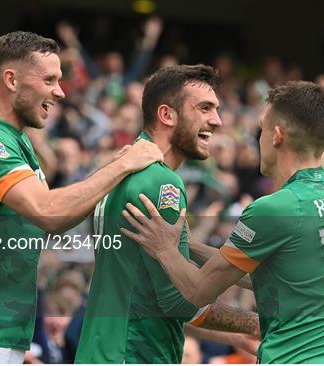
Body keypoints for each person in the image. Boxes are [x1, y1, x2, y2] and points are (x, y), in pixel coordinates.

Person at [0, 31, 163, 364]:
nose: (60, 91)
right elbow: (48, 212)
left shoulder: (15, 140)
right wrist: (122, 164)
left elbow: (54, 219)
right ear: (11, 79)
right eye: (49, 79)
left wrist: (114, 172)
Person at [121, 81, 324, 363]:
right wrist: (189, 245)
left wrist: (164, 249)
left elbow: (197, 290)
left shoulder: (276, 209)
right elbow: (284, 278)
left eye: (261, 128)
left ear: (276, 136)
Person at [75, 65, 259, 364]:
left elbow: (147, 282)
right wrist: (256, 324)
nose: (217, 121)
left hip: (103, 350)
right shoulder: (162, 182)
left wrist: (237, 329)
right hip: (134, 355)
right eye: (204, 108)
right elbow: (179, 301)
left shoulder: (123, 168)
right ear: (167, 115)